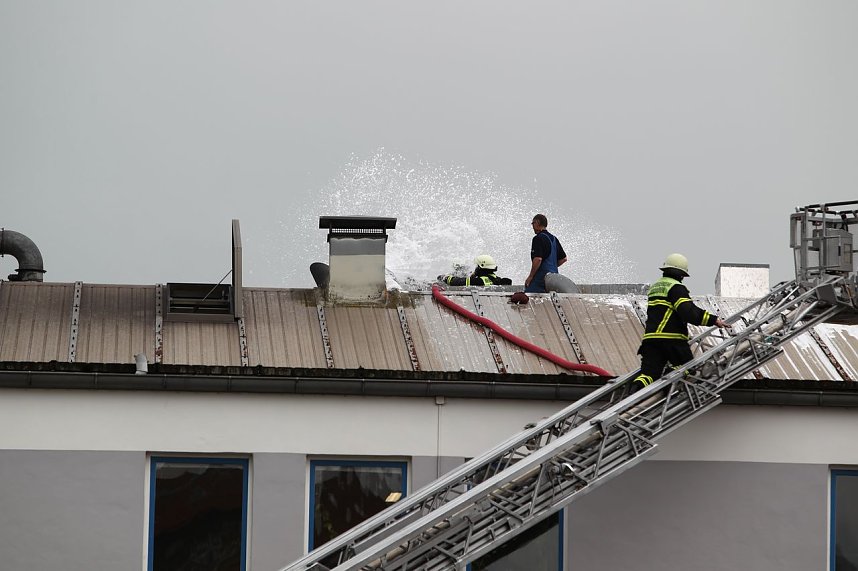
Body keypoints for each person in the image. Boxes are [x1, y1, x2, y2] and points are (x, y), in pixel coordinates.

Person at [629, 253, 728, 393]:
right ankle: (668, 385)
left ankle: (634, 391)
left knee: (648, 375)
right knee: (688, 367)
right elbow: (688, 312)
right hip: (672, 340)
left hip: (650, 340)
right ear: (681, 274)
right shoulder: (676, 288)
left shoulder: (655, 287)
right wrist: (714, 320)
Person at [524, 214, 567, 293]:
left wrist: (530, 277)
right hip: (554, 279)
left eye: (533, 223)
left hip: (541, 279)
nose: (532, 226)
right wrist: (552, 266)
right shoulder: (554, 239)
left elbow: (538, 259)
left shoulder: (538, 238)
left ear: (537, 223)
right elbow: (564, 259)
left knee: (529, 295)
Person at [437, 255, 513, 286]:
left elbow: (455, 282)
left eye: (477, 266)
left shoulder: (479, 281)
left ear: (480, 267)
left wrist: (444, 277)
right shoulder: (496, 279)